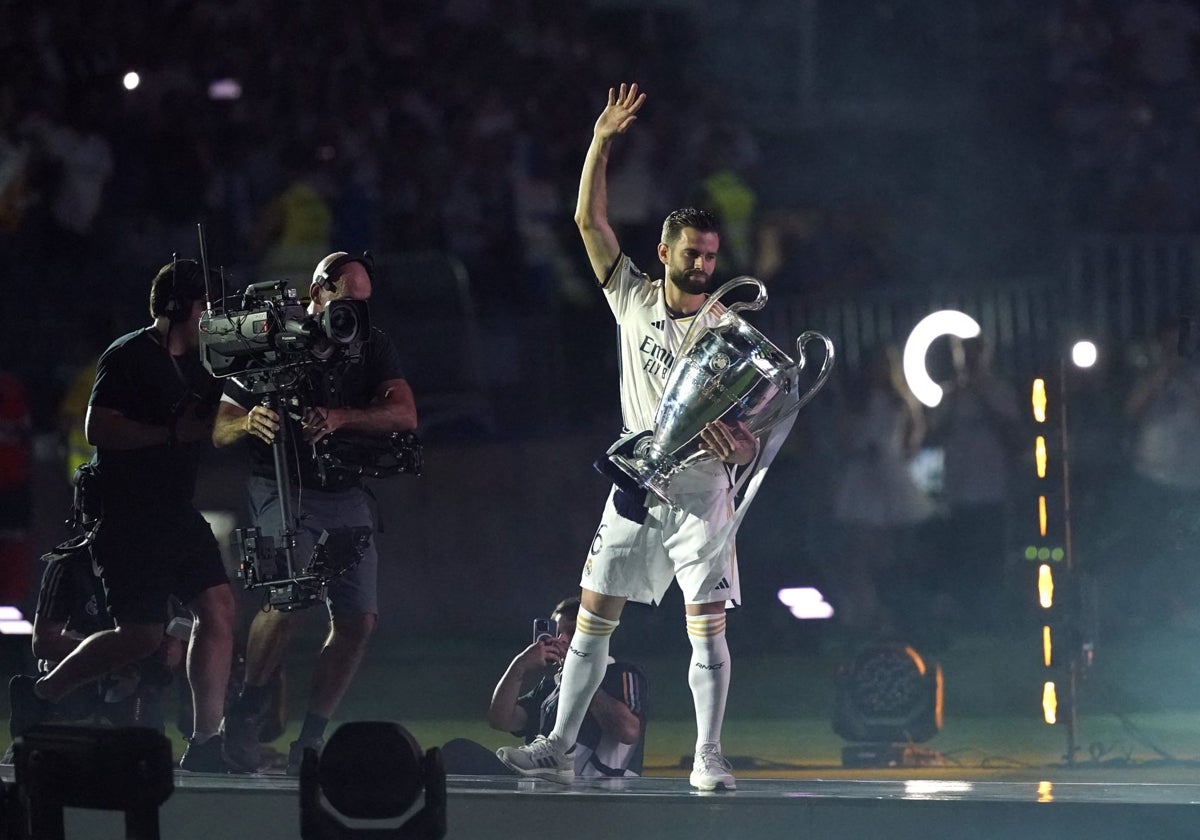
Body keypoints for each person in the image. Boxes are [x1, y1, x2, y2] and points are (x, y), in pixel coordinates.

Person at [497, 83, 768, 792]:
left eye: (710, 255)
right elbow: (588, 221)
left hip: (701, 493)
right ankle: (558, 744)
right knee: (592, 616)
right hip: (635, 481)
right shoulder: (634, 297)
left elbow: (754, 432)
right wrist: (599, 141)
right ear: (665, 250)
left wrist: (742, 450)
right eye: (692, 252)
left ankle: (709, 754)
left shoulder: (730, 336)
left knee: (706, 627)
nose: (704, 264)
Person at [7, 259, 238, 772]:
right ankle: (43, 693)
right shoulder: (129, 355)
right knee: (142, 636)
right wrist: (170, 434)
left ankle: (207, 741)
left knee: (218, 609)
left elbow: (226, 414)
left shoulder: (206, 363)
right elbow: (98, 429)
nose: (213, 318)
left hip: (177, 511)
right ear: (179, 307)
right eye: (205, 306)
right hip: (129, 514)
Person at [215, 250, 417, 775]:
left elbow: (405, 413)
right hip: (283, 483)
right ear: (318, 292)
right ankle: (248, 710)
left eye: (364, 306)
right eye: (346, 303)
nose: (354, 317)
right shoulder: (273, 337)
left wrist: (341, 416)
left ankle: (311, 736)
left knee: (358, 619)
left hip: (345, 490)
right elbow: (222, 424)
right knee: (287, 599)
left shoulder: (371, 343)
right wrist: (250, 422)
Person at [443, 596, 647, 777]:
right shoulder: (550, 687)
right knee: (457, 752)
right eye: (557, 633)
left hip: (592, 789)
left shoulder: (619, 672)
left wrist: (579, 673)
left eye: (572, 632)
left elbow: (627, 731)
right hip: (541, 785)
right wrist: (519, 665)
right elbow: (501, 719)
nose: (562, 639)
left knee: (459, 754)